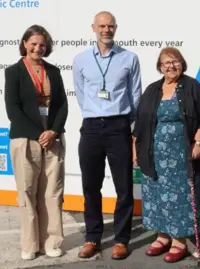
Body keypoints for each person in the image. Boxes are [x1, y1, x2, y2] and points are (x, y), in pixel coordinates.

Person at [132, 47, 200, 263]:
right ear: (160, 67)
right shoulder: (152, 90)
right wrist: (135, 150)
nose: (171, 66)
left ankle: (180, 241)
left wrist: (198, 142)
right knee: (156, 194)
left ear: (182, 63)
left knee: (180, 197)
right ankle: (162, 235)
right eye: (166, 62)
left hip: (181, 154)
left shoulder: (191, 86)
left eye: (175, 61)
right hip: (154, 153)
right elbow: (140, 123)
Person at [72, 11, 142, 260]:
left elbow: (135, 96)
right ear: (94, 27)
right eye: (102, 25)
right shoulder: (80, 60)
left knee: (124, 187)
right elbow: (81, 95)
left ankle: (122, 240)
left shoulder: (129, 58)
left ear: (116, 28)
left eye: (110, 26)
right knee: (91, 186)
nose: (106, 30)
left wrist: (132, 130)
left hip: (119, 127)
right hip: (91, 127)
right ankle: (93, 238)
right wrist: (96, 113)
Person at [4, 24, 68, 260]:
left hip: (52, 138)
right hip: (25, 139)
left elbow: (62, 105)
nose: (38, 48)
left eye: (42, 44)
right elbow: (13, 109)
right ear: (24, 44)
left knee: (52, 192)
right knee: (27, 192)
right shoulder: (13, 72)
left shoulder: (54, 70)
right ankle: (30, 244)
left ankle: (52, 241)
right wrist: (38, 134)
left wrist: (53, 132)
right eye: (33, 43)